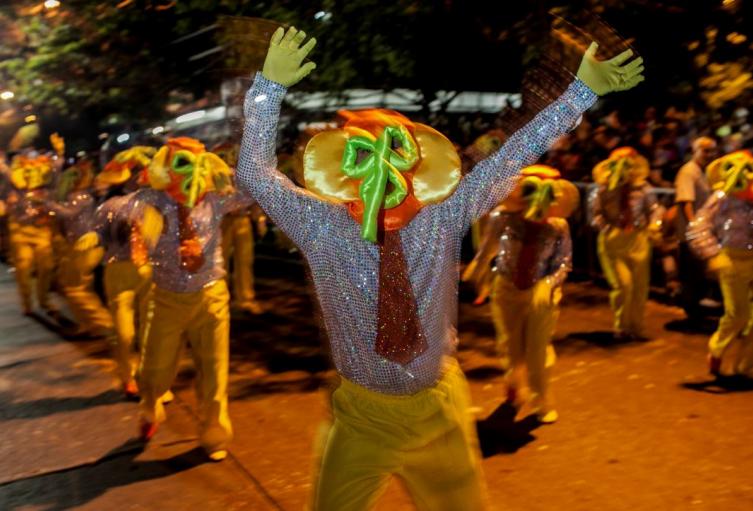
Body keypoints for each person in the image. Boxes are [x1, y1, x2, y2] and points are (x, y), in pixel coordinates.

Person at [237, 26, 643, 510]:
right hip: (363, 417)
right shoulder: (319, 223)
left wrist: (581, 93)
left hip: (439, 411)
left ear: (416, 166)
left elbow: (515, 155)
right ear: (346, 169)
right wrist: (269, 89)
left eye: (394, 154)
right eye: (366, 156)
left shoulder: (443, 216)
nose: (382, 171)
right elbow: (253, 174)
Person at [78, 137, 250, 461]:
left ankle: (214, 433)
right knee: (155, 370)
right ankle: (149, 404)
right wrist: (115, 173)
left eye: (196, 163)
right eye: (181, 164)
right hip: (166, 298)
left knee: (215, 372)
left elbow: (255, 188)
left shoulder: (216, 199)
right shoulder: (149, 200)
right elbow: (112, 206)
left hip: (211, 296)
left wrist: (228, 166)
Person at [470, 165, 577, 423]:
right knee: (511, 346)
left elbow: (564, 263)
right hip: (506, 289)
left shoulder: (558, 225)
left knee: (537, 350)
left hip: (541, 295)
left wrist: (548, 284)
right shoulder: (502, 218)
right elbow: (487, 250)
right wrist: (479, 273)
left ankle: (542, 400)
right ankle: (516, 390)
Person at [82, 146, 157, 397]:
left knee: (151, 330)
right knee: (125, 333)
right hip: (118, 271)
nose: (138, 176)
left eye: (141, 171)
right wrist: (93, 237)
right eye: (133, 172)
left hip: (151, 271)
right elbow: (100, 231)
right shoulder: (110, 206)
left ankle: (150, 380)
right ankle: (127, 375)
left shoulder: (158, 202)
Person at [687, 150, 753, 377]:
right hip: (731, 260)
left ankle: (745, 367)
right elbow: (698, 227)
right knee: (738, 315)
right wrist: (714, 255)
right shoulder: (721, 197)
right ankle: (717, 349)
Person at [590, 147, 664, 339]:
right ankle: (621, 326)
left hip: (638, 239)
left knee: (640, 287)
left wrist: (654, 226)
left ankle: (636, 327)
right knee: (624, 285)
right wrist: (608, 228)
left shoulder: (643, 188)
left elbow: (655, 209)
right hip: (613, 240)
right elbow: (595, 215)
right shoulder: (603, 189)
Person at [49, 157, 114, 337]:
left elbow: (68, 213)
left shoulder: (82, 196)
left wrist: (49, 205)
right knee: (77, 287)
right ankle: (89, 325)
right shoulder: (75, 195)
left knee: (76, 288)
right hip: (78, 244)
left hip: (86, 245)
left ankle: (106, 324)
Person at [0, 138, 64, 315]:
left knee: (47, 267)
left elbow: (57, 172)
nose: (32, 162)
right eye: (27, 158)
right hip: (19, 229)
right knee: (23, 267)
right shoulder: (12, 182)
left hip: (42, 229)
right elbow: (5, 176)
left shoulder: (47, 183)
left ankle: (44, 300)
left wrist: (59, 154)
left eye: (36, 158)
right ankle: (27, 304)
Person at [213, 142, 264, 314]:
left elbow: (253, 196)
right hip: (222, 221)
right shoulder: (218, 175)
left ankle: (246, 298)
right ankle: (222, 298)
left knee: (245, 260)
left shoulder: (244, 175)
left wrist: (259, 219)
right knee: (221, 261)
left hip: (242, 219)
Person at [674, 136, 717, 319]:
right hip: (692, 234)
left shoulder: (705, 171)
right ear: (695, 151)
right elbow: (686, 202)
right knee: (691, 274)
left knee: (699, 273)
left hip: (703, 232)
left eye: (711, 151)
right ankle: (691, 312)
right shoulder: (688, 172)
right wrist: (694, 228)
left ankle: (696, 309)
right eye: (705, 150)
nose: (709, 154)